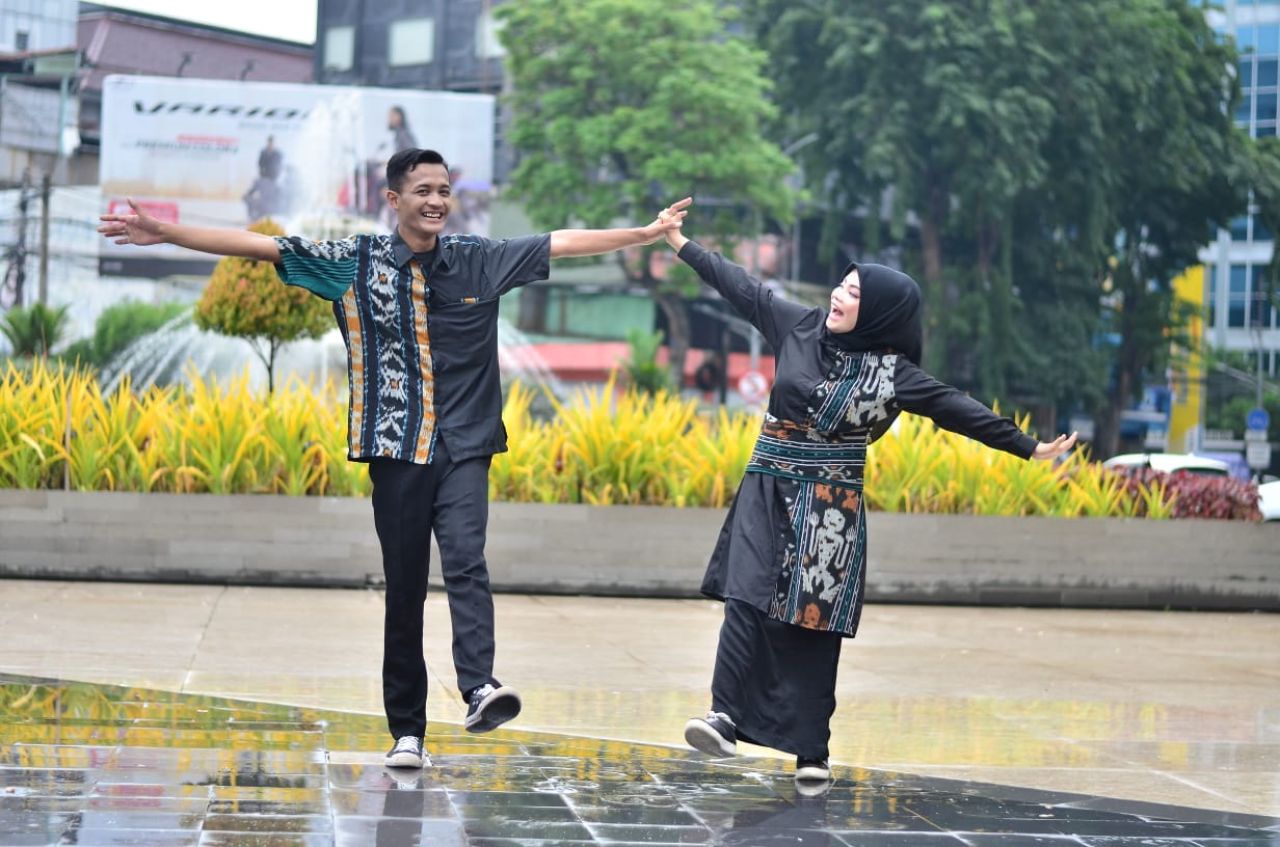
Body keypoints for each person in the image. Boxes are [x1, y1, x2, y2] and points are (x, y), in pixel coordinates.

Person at [99, 148, 691, 770]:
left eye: (443, 190)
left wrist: (645, 234)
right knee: (404, 589)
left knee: (466, 561)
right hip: (396, 448)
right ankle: (407, 730)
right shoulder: (352, 263)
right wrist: (163, 231)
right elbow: (258, 247)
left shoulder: (479, 260)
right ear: (394, 200)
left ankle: (479, 687)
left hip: (467, 445)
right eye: (423, 191)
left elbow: (563, 242)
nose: (436, 201)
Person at [656, 207, 1075, 785]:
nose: (837, 296)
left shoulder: (894, 374)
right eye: (841, 285)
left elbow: (957, 409)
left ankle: (811, 750)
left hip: (830, 508)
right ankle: (723, 716)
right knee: (745, 597)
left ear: (876, 310)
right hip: (768, 487)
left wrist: (1028, 447)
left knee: (811, 622)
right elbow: (741, 286)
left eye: (852, 292)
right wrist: (680, 242)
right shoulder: (796, 326)